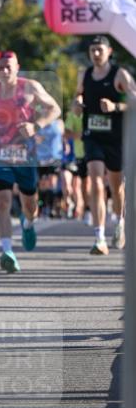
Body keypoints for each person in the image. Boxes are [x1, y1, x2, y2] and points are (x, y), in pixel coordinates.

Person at [0, 50, 60, 274]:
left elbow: (55, 109)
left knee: (29, 204)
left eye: (8, 66)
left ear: (17, 67)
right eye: (0, 67)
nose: (4, 70)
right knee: (2, 201)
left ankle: (28, 223)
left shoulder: (30, 87)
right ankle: (7, 251)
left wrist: (36, 125)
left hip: (25, 154)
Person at [74, 35, 135, 255]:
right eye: (92, 51)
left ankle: (119, 223)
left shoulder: (120, 74)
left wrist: (116, 107)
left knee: (116, 187)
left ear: (109, 52)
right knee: (96, 180)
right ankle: (99, 237)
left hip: (115, 137)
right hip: (92, 136)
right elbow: (77, 99)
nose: (96, 54)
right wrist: (77, 104)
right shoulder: (85, 74)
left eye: (100, 50)